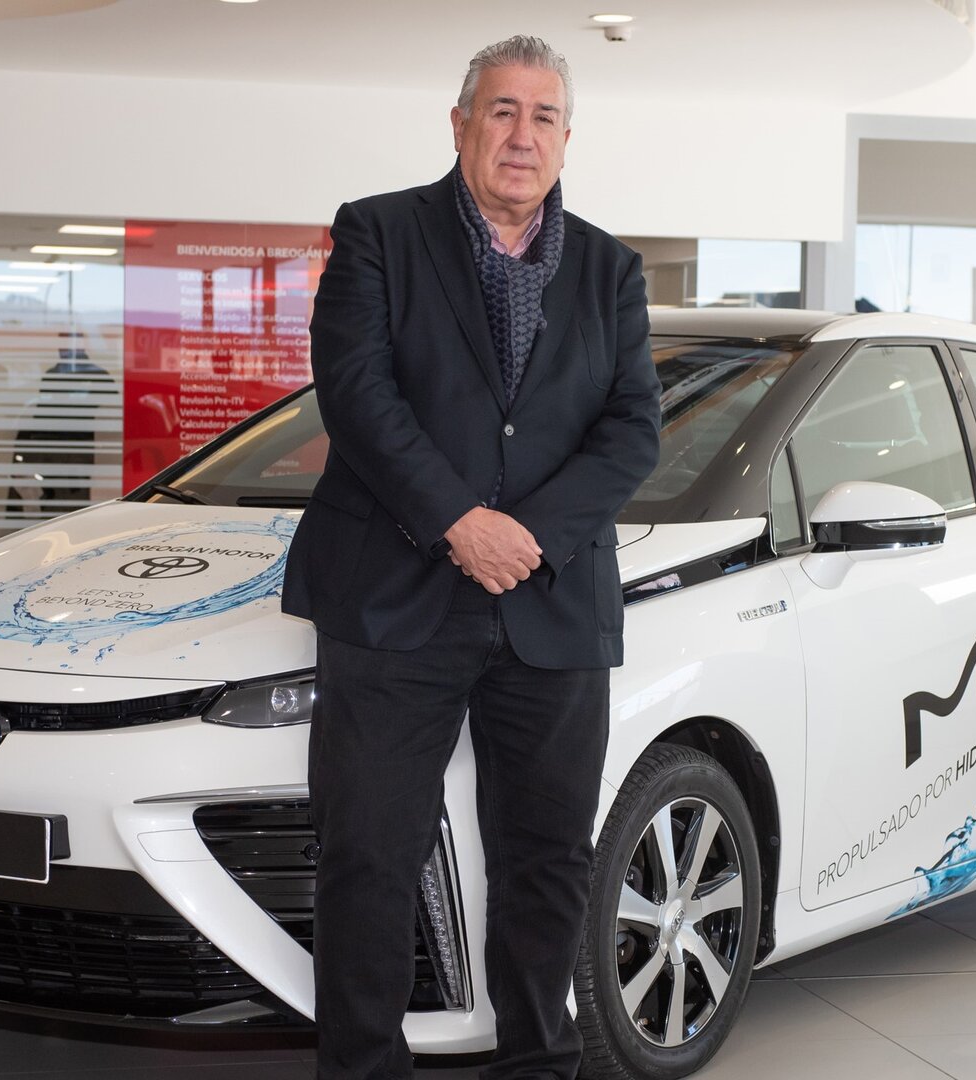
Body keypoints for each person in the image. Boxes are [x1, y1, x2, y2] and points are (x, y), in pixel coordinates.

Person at [281, 34, 660, 1080]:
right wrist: (458, 520)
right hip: (395, 595)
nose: (522, 135)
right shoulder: (378, 234)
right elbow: (356, 394)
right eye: (502, 111)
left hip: (552, 600)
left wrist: (526, 536)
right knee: (368, 856)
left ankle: (539, 1064)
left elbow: (634, 429)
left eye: (544, 116)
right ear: (460, 126)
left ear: (568, 139)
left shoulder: (611, 271)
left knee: (548, 861)